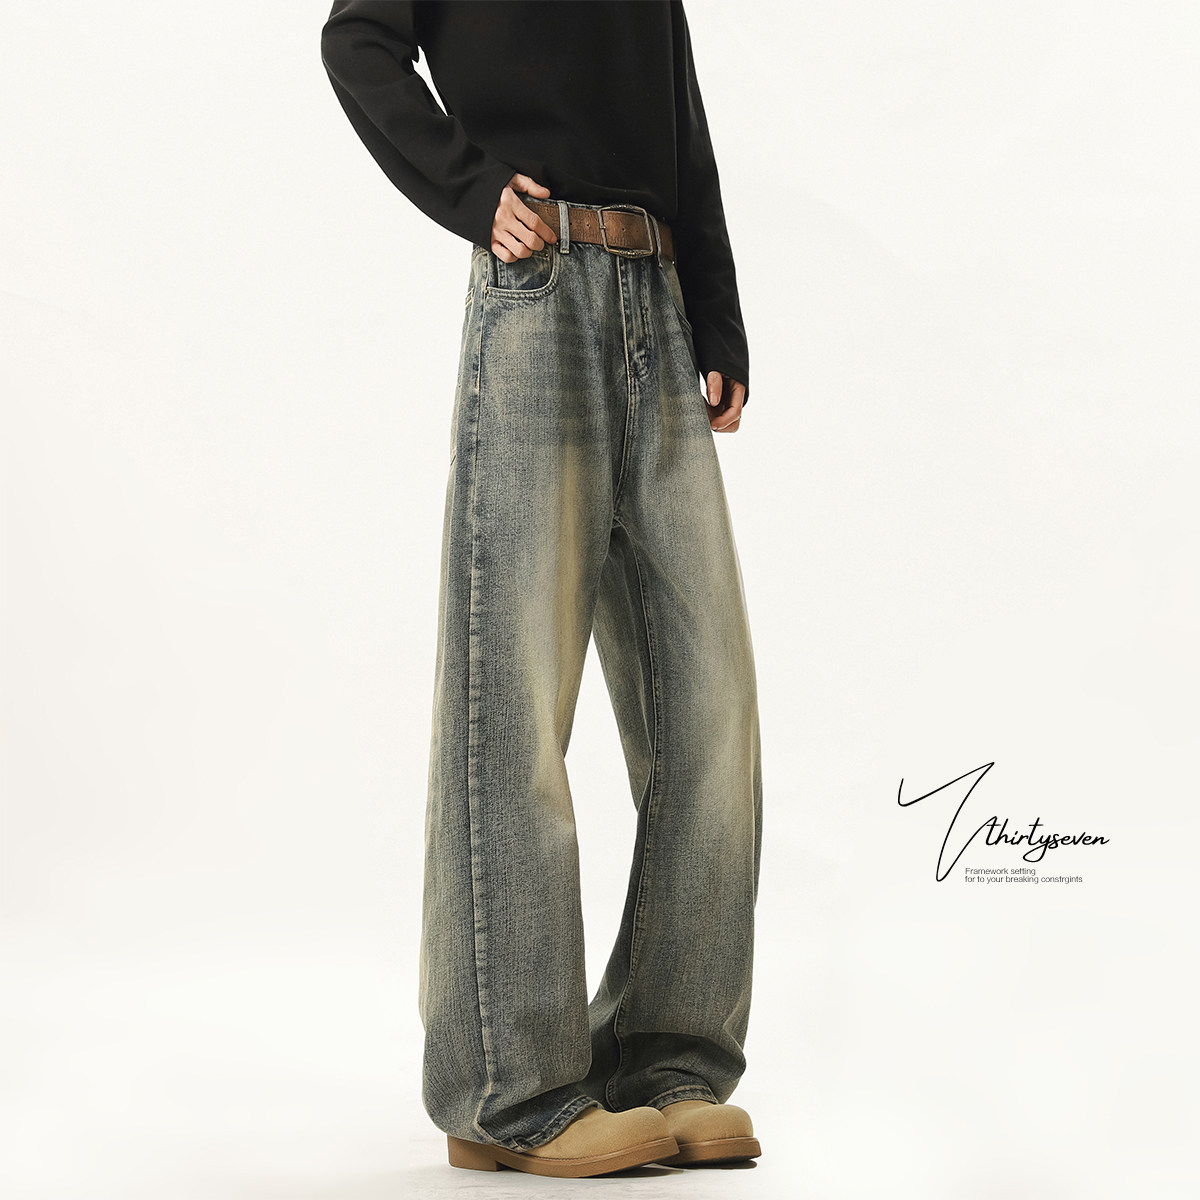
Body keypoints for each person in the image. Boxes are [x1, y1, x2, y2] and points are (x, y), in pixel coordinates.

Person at [320, 0, 764, 1178]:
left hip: (658, 307)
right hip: (539, 291)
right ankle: (507, 1090)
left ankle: (666, 1060)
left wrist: (716, 315)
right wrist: (470, 191)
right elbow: (358, 39)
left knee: (710, 711)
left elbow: (681, 117)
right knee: (512, 705)